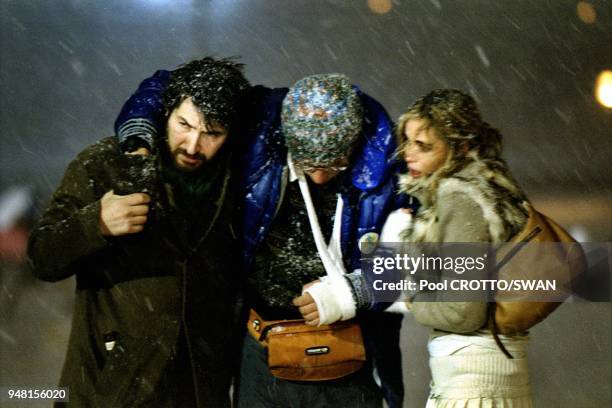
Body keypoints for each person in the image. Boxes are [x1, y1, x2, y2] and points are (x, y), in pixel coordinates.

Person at [113, 72, 412, 407]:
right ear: (287, 139)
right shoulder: (262, 125)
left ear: (355, 144)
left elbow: (439, 267)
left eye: (336, 164)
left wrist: (353, 292)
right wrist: (139, 138)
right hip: (259, 347)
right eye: (308, 163)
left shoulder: (393, 165)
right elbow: (172, 87)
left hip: (350, 357)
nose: (318, 176)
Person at [27, 57, 250, 407]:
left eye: (212, 134)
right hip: (111, 387)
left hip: (200, 388)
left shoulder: (241, 180)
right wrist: (95, 223)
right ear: (166, 113)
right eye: (184, 125)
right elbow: (42, 257)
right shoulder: (104, 163)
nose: (193, 145)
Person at [298, 89, 534, 407]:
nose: (408, 154)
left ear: (461, 147)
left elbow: (463, 311)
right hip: (490, 372)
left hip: (473, 381)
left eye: (423, 146)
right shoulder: (489, 187)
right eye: (407, 140)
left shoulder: (459, 197)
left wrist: (409, 298)